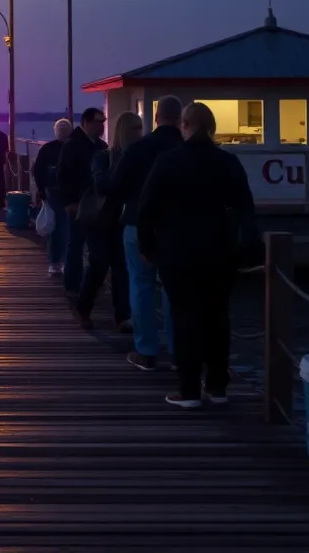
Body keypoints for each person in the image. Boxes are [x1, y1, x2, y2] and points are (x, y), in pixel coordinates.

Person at [136, 102, 256, 409]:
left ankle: (189, 389)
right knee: (218, 317)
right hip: (220, 251)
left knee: (185, 318)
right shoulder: (228, 162)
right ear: (212, 128)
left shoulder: (168, 162)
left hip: (178, 253)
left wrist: (148, 248)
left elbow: (146, 210)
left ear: (184, 126)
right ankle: (217, 386)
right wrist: (249, 250)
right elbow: (245, 210)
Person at [106, 95, 184, 371]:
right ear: (180, 118)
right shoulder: (186, 149)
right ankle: (179, 354)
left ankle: (147, 351)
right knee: (176, 290)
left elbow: (114, 186)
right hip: (177, 228)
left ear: (157, 116)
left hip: (138, 223)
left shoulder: (139, 148)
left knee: (141, 286)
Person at [74, 111, 140, 331]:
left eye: (140, 128)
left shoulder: (141, 157)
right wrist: (126, 163)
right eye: (134, 129)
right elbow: (102, 185)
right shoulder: (103, 156)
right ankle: (83, 308)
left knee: (121, 268)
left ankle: (123, 316)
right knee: (99, 264)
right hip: (100, 219)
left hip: (124, 220)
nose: (139, 133)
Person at [57, 108, 107, 299]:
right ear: (86, 122)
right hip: (78, 203)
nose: (102, 125)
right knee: (76, 243)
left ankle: (93, 281)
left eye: (104, 121)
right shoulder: (73, 145)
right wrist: (69, 201)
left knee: (96, 246)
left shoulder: (100, 145)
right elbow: (63, 175)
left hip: (98, 204)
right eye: (98, 121)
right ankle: (72, 284)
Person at [31, 119, 73, 276]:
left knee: (59, 226)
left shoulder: (47, 148)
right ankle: (61, 261)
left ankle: (57, 262)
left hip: (54, 191)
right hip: (68, 193)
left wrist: (41, 190)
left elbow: (38, 170)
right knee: (66, 227)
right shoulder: (74, 148)